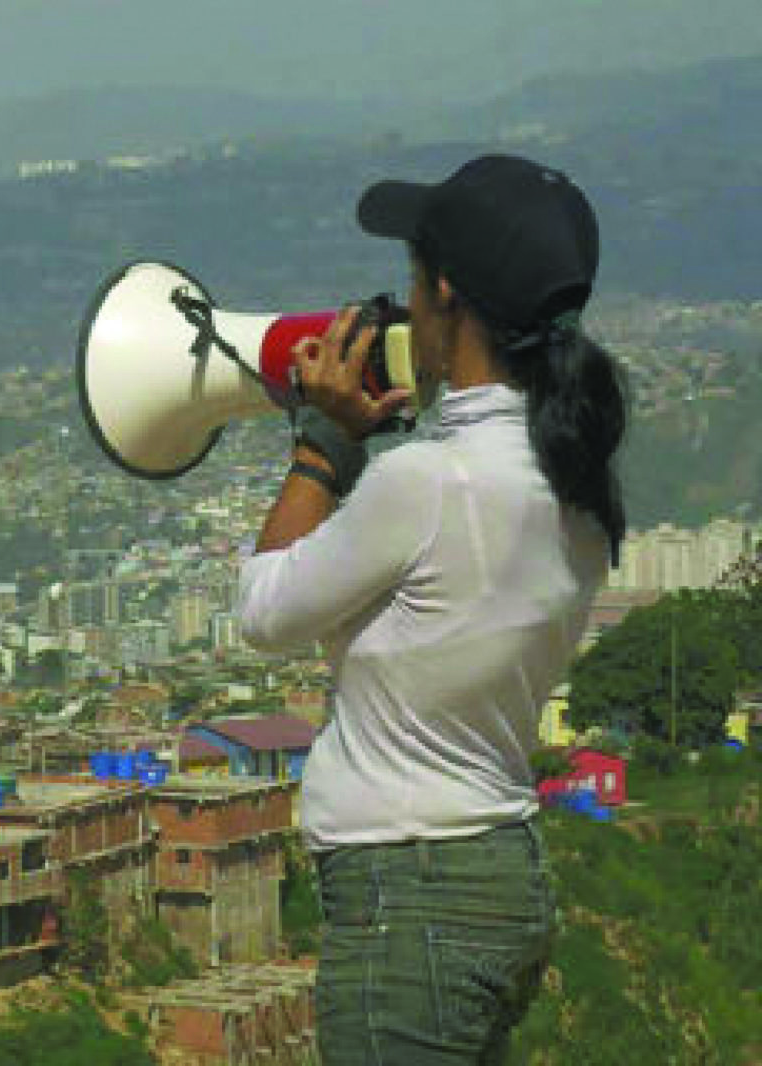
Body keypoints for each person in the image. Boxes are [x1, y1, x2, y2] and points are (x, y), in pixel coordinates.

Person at [235, 154, 627, 1064]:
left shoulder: (430, 480)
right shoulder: (576, 474)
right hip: (500, 868)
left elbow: (263, 610)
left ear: (444, 291)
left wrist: (326, 445)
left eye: (413, 281)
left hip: (411, 895)